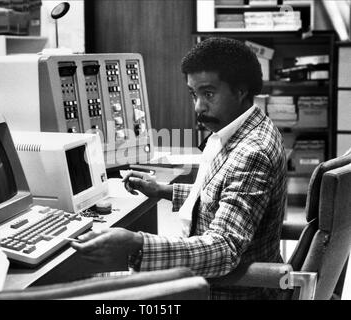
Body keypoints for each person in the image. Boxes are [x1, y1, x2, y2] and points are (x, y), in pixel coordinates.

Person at [71, 37, 287, 300]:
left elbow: (224, 248)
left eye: (208, 94)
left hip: (226, 293)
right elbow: (224, 196)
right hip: (218, 284)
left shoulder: (252, 151)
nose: (198, 106)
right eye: (194, 95)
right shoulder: (250, 128)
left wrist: (137, 243)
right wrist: (164, 190)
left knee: (99, 294)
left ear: (240, 90)